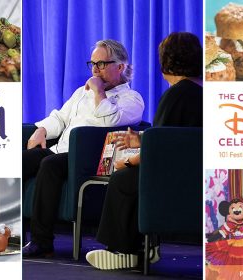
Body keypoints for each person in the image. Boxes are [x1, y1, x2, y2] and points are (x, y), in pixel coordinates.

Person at [86, 32, 203, 270]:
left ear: (165, 62)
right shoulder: (203, 91)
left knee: (123, 179)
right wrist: (141, 140)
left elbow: (160, 150)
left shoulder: (176, 95)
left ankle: (124, 250)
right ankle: (144, 248)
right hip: (198, 174)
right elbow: (180, 140)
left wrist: (127, 163)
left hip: (177, 179)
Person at [22, 39, 145, 257]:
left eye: (102, 64)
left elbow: (111, 120)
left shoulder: (132, 99)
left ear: (121, 67)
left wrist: (99, 93)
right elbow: (59, 117)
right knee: (19, 160)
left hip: (90, 157)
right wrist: (41, 129)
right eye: (93, 64)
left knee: (49, 164)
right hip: (60, 152)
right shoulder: (81, 92)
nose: (96, 71)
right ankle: (1, 230)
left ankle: (42, 241)